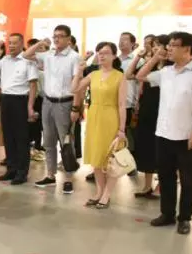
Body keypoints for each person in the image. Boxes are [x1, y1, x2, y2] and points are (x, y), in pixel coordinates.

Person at [137, 32, 192, 235]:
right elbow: (140, 76)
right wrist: (155, 57)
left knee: (188, 180)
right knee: (165, 177)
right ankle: (167, 214)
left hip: (187, 136)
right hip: (163, 134)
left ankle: (185, 218)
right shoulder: (166, 72)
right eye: (168, 45)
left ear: (187, 49)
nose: (168, 48)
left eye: (173, 45)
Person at [22, 26, 80, 194]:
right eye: (55, 36)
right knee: (48, 141)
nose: (57, 39)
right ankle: (50, 175)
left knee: (66, 142)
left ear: (68, 39)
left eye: (60, 36)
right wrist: (41, 42)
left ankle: (68, 178)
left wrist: (76, 107)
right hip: (47, 102)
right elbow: (26, 55)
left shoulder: (74, 57)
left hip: (65, 103)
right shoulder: (48, 55)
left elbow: (78, 84)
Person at [73, 42, 127, 209]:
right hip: (94, 116)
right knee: (97, 157)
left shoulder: (120, 76)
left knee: (110, 159)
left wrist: (122, 129)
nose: (101, 55)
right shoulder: (93, 74)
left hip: (111, 117)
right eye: (99, 52)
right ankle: (99, 192)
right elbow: (74, 89)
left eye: (106, 52)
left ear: (114, 56)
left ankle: (106, 194)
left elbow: (122, 104)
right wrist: (79, 71)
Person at [124, 34, 171, 198]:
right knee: (146, 148)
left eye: (158, 45)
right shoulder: (151, 65)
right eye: (154, 45)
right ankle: (147, 185)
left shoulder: (171, 67)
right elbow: (129, 75)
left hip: (163, 112)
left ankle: (161, 185)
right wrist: (139, 57)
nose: (155, 48)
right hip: (146, 110)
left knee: (162, 150)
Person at [0, 33, 38, 185]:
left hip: (21, 101)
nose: (11, 46)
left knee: (21, 138)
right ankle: (11, 169)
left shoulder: (28, 61)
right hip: (5, 100)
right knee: (8, 137)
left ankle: (22, 172)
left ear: (21, 44)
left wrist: (30, 107)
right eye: (10, 43)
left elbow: (33, 85)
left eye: (15, 43)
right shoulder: (4, 60)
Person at [118, 32, 140, 176]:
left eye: (125, 40)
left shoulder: (138, 60)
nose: (122, 42)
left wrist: (138, 101)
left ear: (133, 43)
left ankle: (131, 166)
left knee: (130, 136)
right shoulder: (115, 60)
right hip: (115, 103)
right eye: (120, 40)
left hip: (130, 103)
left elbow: (140, 82)